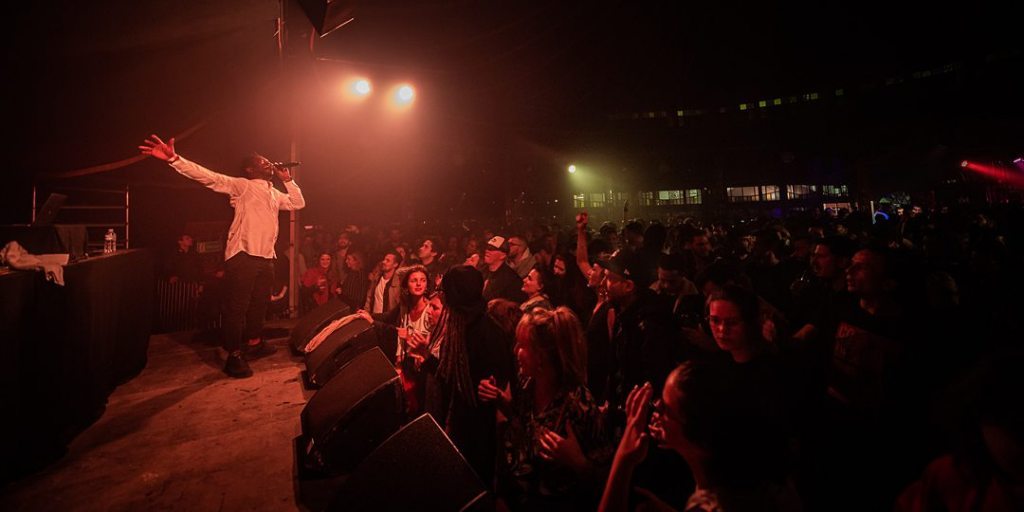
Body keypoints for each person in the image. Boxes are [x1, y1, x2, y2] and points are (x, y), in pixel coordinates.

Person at [139, 134, 305, 378]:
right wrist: (174, 160)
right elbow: (209, 177)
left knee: (259, 304)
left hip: (265, 257)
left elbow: (298, 203)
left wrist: (287, 180)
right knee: (237, 308)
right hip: (243, 255)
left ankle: (254, 343)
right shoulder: (242, 185)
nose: (268, 163)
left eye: (268, 161)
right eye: (262, 161)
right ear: (249, 170)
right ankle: (233, 355)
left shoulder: (273, 193)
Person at [479, 307, 611, 510]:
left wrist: (578, 462)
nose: (515, 351)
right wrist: (500, 400)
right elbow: (526, 423)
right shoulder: (526, 384)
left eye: (522, 345)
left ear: (541, 356)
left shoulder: (578, 403)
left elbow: (605, 478)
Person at [423, 265, 514, 486]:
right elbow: (452, 377)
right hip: (462, 424)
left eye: (444, 292)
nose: (441, 297)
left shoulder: (488, 334)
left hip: (480, 434)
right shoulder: (463, 326)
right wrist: (426, 358)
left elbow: (488, 390)